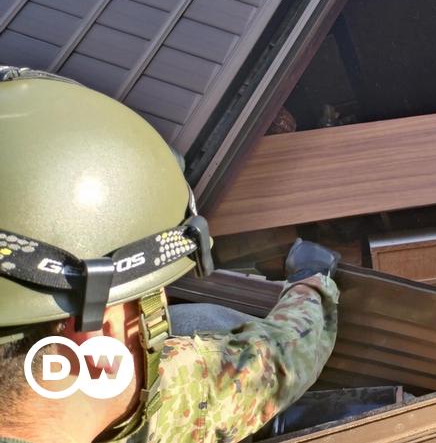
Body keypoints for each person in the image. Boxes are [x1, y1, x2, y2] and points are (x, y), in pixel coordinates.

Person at [0, 67, 340, 443]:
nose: (155, 324)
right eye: (150, 306)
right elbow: (272, 363)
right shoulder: (164, 412)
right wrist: (312, 281)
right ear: (99, 339)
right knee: (202, 321)